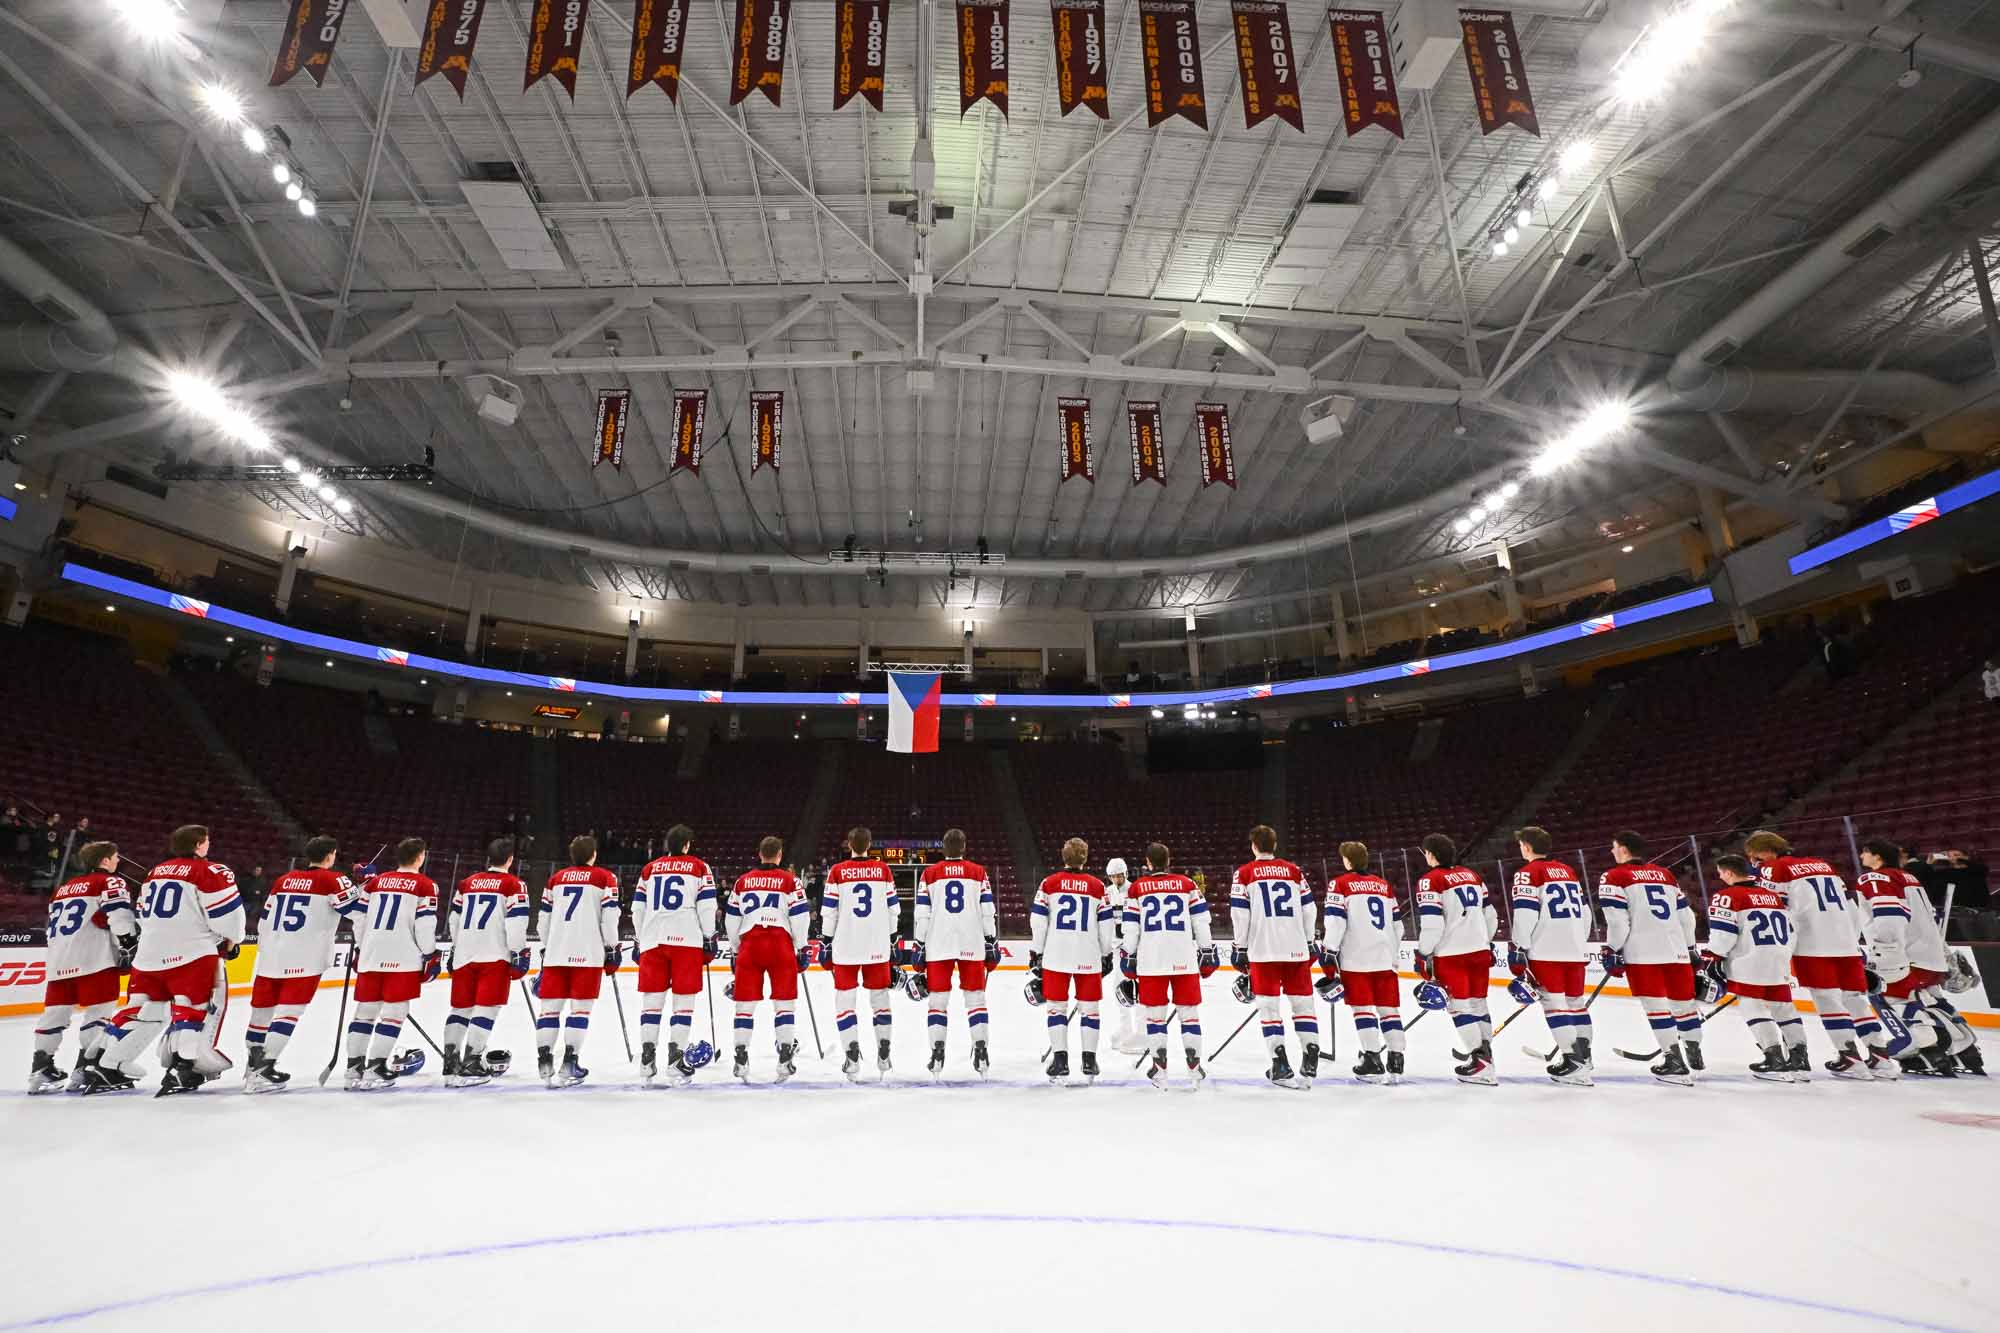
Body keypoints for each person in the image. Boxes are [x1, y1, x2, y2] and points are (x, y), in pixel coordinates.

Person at [88, 824, 244, 1096]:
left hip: (148, 956)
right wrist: (233, 941)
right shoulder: (210, 871)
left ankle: (105, 1063)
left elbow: (142, 911)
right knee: (195, 1009)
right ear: (199, 844)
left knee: (141, 1011)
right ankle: (184, 1067)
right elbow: (229, 917)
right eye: (207, 841)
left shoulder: (155, 872)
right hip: (192, 953)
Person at [1743, 830, 1883, 1078]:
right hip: (1847, 942)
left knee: (1828, 1000)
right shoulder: (1822, 865)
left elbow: (1774, 910)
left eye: (1755, 856)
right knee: (1855, 999)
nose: (1754, 862)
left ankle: (1850, 1058)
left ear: (1767, 851)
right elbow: (1850, 904)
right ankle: (1881, 1059)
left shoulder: (1774, 868)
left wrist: (1778, 949)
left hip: (1812, 945)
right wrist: (1854, 942)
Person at [243, 835, 366, 1093]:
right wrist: (365, 885)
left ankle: (252, 1067)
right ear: (330, 855)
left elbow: (264, 918)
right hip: (305, 957)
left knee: (261, 1013)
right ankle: (264, 1069)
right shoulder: (333, 880)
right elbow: (358, 911)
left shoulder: (283, 880)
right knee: (289, 1012)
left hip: (271, 955)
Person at [1858, 841, 1984, 1077]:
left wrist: (1883, 953)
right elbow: (1929, 918)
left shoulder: (1874, 878)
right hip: (1931, 954)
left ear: (1877, 857)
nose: (1861, 855)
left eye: (1865, 851)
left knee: (1890, 998)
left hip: (1904, 956)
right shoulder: (1910, 879)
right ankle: (1965, 1051)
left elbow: (1888, 916)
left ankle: (1927, 1052)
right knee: (1933, 1000)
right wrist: (1944, 953)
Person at [1596, 831, 1701, 1085]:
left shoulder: (1614, 876)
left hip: (1643, 953)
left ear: (1623, 849)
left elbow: (1618, 922)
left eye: (1614, 847)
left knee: (1656, 1008)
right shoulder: (1665, 875)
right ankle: (1694, 1054)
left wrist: (1612, 949)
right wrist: (1690, 947)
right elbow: (1687, 918)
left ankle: (1674, 1061)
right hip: (1676, 951)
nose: (1612, 851)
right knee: (1685, 1006)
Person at [32, 841, 135, 1093]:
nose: (118, 861)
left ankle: (40, 1069)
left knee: (54, 1016)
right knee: (98, 1015)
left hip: (59, 959)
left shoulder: (64, 888)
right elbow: (119, 914)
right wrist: (128, 942)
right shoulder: (109, 881)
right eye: (115, 856)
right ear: (104, 861)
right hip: (95, 959)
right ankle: (87, 1068)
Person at [1229, 824, 1320, 1088]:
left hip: (1263, 951)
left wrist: (1240, 947)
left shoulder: (1244, 873)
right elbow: (1310, 909)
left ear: (1254, 846)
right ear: (1275, 845)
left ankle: (1280, 1064)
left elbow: (1240, 914)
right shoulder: (1294, 871)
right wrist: (1309, 940)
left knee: (1269, 1008)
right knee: (1303, 1005)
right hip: (1296, 948)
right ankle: (1311, 1050)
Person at [1703, 855, 1806, 1082]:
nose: (1720, 877)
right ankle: (1800, 1059)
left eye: (1720, 873)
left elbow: (1723, 935)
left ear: (1729, 873)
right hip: (1779, 959)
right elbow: (1791, 931)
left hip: (1749, 961)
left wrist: (1712, 957)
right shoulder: (1772, 896)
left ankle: (1774, 1059)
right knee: (1784, 1008)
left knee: (1753, 1007)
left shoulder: (1727, 896)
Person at [348, 838, 440, 1090]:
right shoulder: (425, 885)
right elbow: (424, 924)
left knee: (364, 1013)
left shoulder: (374, 882)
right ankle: (376, 1068)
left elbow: (358, 917)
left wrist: (361, 947)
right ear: (420, 857)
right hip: (403, 957)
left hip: (371, 954)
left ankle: (353, 1069)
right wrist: (430, 954)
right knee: (393, 1014)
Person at [1122, 842, 1214, 1090]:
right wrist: (1206, 950)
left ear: (1148, 863)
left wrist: (1128, 955)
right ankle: (1194, 1068)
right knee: (1189, 1015)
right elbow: (1201, 921)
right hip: (1184, 959)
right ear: (1168, 860)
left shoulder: (1137, 888)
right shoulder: (1187, 884)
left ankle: (1159, 1070)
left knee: (1155, 1018)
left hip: (1151, 962)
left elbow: (1131, 928)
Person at [1507, 826, 1594, 1086]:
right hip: (1575, 949)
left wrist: (1519, 946)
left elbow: (1525, 914)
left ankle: (1573, 1062)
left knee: (1555, 1004)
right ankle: (1584, 1058)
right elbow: (1585, 912)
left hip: (1546, 950)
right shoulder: (1567, 871)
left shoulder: (1527, 873)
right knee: (1576, 1003)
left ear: (1527, 847)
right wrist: (1579, 939)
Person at [632, 823, 718, 1085]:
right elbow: (707, 906)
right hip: (686, 940)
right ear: (687, 845)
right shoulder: (699, 867)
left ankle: (647, 1058)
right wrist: (709, 936)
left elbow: (637, 908)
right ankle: (675, 1059)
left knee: (652, 1002)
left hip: (653, 939)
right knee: (683, 1002)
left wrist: (641, 938)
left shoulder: (650, 869)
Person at [536, 835, 621, 1088]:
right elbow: (609, 918)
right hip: (588, 953)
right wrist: (612, 947)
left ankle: (544, 1062)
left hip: (556, 953)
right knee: (580, 1011)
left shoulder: (555, 879)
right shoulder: (605, 878)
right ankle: (569, 1063)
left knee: (549, 1010)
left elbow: (543, 920)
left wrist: (547, 946)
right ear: (593, 854)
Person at [444, 837, 531, 1087]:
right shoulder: (514, 884)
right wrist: (518, 952)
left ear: (489, 858)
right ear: (510, 860)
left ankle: (450, 1063)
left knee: (460, 1009)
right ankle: (472, 1062)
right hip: (495, 954)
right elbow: (516, 922)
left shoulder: (467, 883)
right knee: (486, 1009)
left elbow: (454, 919)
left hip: (464, 953)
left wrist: (456, 946)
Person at [1413, 833, 1498, 1085]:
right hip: (1480, 950)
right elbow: (1491, 915)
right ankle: (1486, 1058)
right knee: (1479, 1004)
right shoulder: (1472, 876)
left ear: (1431, 854)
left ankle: (1480, 1063)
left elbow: (1433, 925)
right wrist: (1485, 940)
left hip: (1452, 955)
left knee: (1459, 1007)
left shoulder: (1430, 880)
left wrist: (1423, 953)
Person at [1028, 837, 1115, 1081]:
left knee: (1056, 1009)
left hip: (1056, 955)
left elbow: (1038, 921)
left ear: (1063, 856)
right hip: (1088, 954)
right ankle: (1089, 1061)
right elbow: (1106, 925)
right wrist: (1106, 953)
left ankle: (1060, 1061)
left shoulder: (1049, 883)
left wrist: (1036, 952)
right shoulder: (1098, 886)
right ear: (1085, 858)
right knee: (1090, 1010)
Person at [914, 826, 998, 1076]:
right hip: (972, 942)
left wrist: (919, 943)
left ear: (943, 848)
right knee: (976, 1000)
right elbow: (987, 911)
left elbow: (922, 913)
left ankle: (937, 1053)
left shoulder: (929, 873)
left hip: (938, 944)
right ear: (964, 847)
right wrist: (991, 940)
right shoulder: (978, 872)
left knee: (937, 1002)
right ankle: (981, 1050)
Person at [727, 835, 810, 1081]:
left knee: (744, 1006)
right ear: (780, 855)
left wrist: (735, 949)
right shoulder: (791, 881)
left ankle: (741, 1057)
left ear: (760, 854)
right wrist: (802, 947)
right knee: (784, 1005)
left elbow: (731, 919)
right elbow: (800, 916)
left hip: (750, 944)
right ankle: (785, 1058)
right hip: (780, 944)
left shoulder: (743, 881)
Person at [1324, 841, 1406, 1085]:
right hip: (1384, 957)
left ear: (1348, 861)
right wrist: (1391, 951)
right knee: (1389, 1010)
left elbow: (1336, 922)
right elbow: (1398, 926)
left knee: (1362, 1009)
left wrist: (1329, 950)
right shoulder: (1383, 885)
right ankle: (1396, 1058)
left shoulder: (1339, 884)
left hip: (1355, 959)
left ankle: (1372, 1059)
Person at [821, 826, 899, 1080]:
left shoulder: (837, 871)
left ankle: (851, 1054)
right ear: (870, 844)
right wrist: (892, 938)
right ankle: (884, 1050)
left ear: (849, 844)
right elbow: (893, 909)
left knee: (845, 1002)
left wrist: (826, 941)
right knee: (880, 999)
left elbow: (829, 911)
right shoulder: (883, 870)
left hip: (845, 947)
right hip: (877, 946)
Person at [1102, 857, 1143, 1053]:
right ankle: (1125, 1029)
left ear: (1126, 873)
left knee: (1139, 990)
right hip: (1118, 949)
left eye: (1119, 876)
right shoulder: (1106, 893)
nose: (1116, 879)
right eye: (1113, 876)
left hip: (1136, 948)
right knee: (1120, 990)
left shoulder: (1135, 890)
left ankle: (1141, 1032)